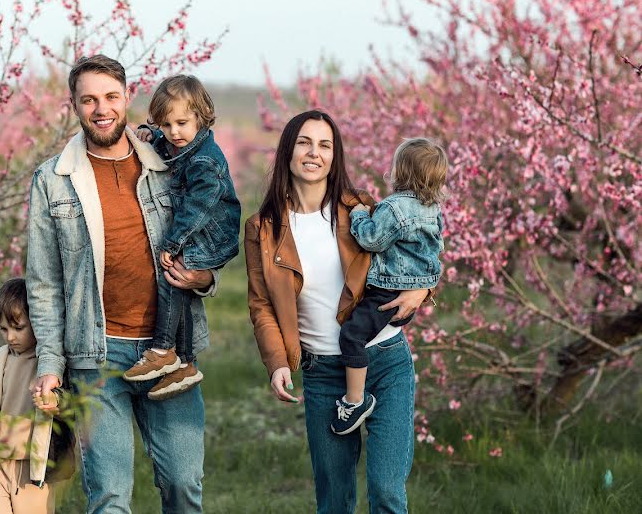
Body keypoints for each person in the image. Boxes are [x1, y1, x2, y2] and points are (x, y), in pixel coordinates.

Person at [26, 55, 218, 513]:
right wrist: (50, 365)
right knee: (109, 495)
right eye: (89, 99)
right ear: (73, 104)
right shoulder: (53, 181)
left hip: (169, 352)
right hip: (96, 354)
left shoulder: (171, 163)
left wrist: (205, 278)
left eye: (111, 96)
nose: (101, 108)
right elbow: (44, 283)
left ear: (127, 97)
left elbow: (208, 230)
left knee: (183, 484)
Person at [244, 111, 431, 513]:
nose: (314, 153)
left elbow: (418, 246)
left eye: (324, 145)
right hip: (324, 373)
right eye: (305, 143)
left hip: (386, 363)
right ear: (288, 151)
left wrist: (425, 288)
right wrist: (277, 361)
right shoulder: (262, 227)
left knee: (386, 492)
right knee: (334, 499)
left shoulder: (360, 208)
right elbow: (261, 304)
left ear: (335, 156)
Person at [123, 74, 241, 400]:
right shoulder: (183, 144)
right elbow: (167, 145)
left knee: (172, 275)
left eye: (181, 123)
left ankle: (163, 348)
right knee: (182, 286)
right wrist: (150, 135)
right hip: (203, 229)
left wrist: (173, 243)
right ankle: (185, 363)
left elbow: (198, 208)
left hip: (210, 232)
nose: (173, 132)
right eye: (165, 124)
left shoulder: (205, 160)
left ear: (201, 117)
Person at [331, 137, 446, 435]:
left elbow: (371, 239)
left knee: (352, 336)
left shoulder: (394, 208)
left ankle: (355, 400)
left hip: (386, 292)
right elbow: (436, 247)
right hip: (409, 296)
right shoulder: (432, 209)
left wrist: (358, 214)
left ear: (401, 172)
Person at [0, 278, 75, 514]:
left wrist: (56, 402)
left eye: (18, 328)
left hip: (35, 470)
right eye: (4, 329)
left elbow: (74, 405)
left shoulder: (52, 367)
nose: (10, 337)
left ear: (38, 322)